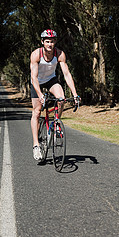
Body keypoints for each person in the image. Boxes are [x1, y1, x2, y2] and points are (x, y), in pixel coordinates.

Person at [30, 29, 79, 161]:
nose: (50, 44)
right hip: (37, 83)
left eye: (52, 41)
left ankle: (56, 123)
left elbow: (67, 74)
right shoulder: (36, 54)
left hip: (51, 80)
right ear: (42, 42)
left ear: (55, 42)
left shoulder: (60, 54)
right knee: (37, 111)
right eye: (47, 41)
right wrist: (40, 94)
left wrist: (74, 94)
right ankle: (36, 145)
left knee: (61, 99)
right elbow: (34, 78)